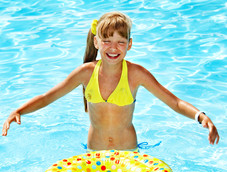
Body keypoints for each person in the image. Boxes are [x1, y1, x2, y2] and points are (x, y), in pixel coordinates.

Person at [2, 12, 219, 150]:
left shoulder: (136, 74)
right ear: (96, 42)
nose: (113, 48)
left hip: (128, 151)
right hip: (95, 152)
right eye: (106, 41)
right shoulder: (85, 73)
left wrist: (201, 117)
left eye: (120, 42)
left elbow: (174, 102)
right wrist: (19, 111)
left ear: (129, 44)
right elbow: (48, 97)